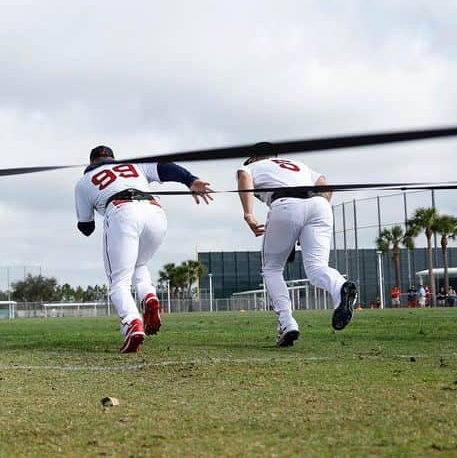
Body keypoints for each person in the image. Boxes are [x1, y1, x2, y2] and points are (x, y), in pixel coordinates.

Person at [75, 145, 213, 353]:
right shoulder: (134, 164)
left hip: (122, 210)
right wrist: (191, 180)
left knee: (118, 282)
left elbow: (86, 227)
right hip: (155, 212)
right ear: (113, 158)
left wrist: (94, 203)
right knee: (139, 263)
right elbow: (164, 167)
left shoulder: (83, 182)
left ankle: (132, 323)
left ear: (91, 161)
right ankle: (148, 295)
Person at [237, 143, 358, 347]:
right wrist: (308, 222)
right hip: (319, 206)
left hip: (285, 205)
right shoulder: (297, 165)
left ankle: (287, 322)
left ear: (256, 157)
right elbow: (324, 184)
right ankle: (341, 290)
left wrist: (248, 214)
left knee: (272, 269)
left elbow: (243, 176)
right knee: (317, 268)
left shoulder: (253, 166)